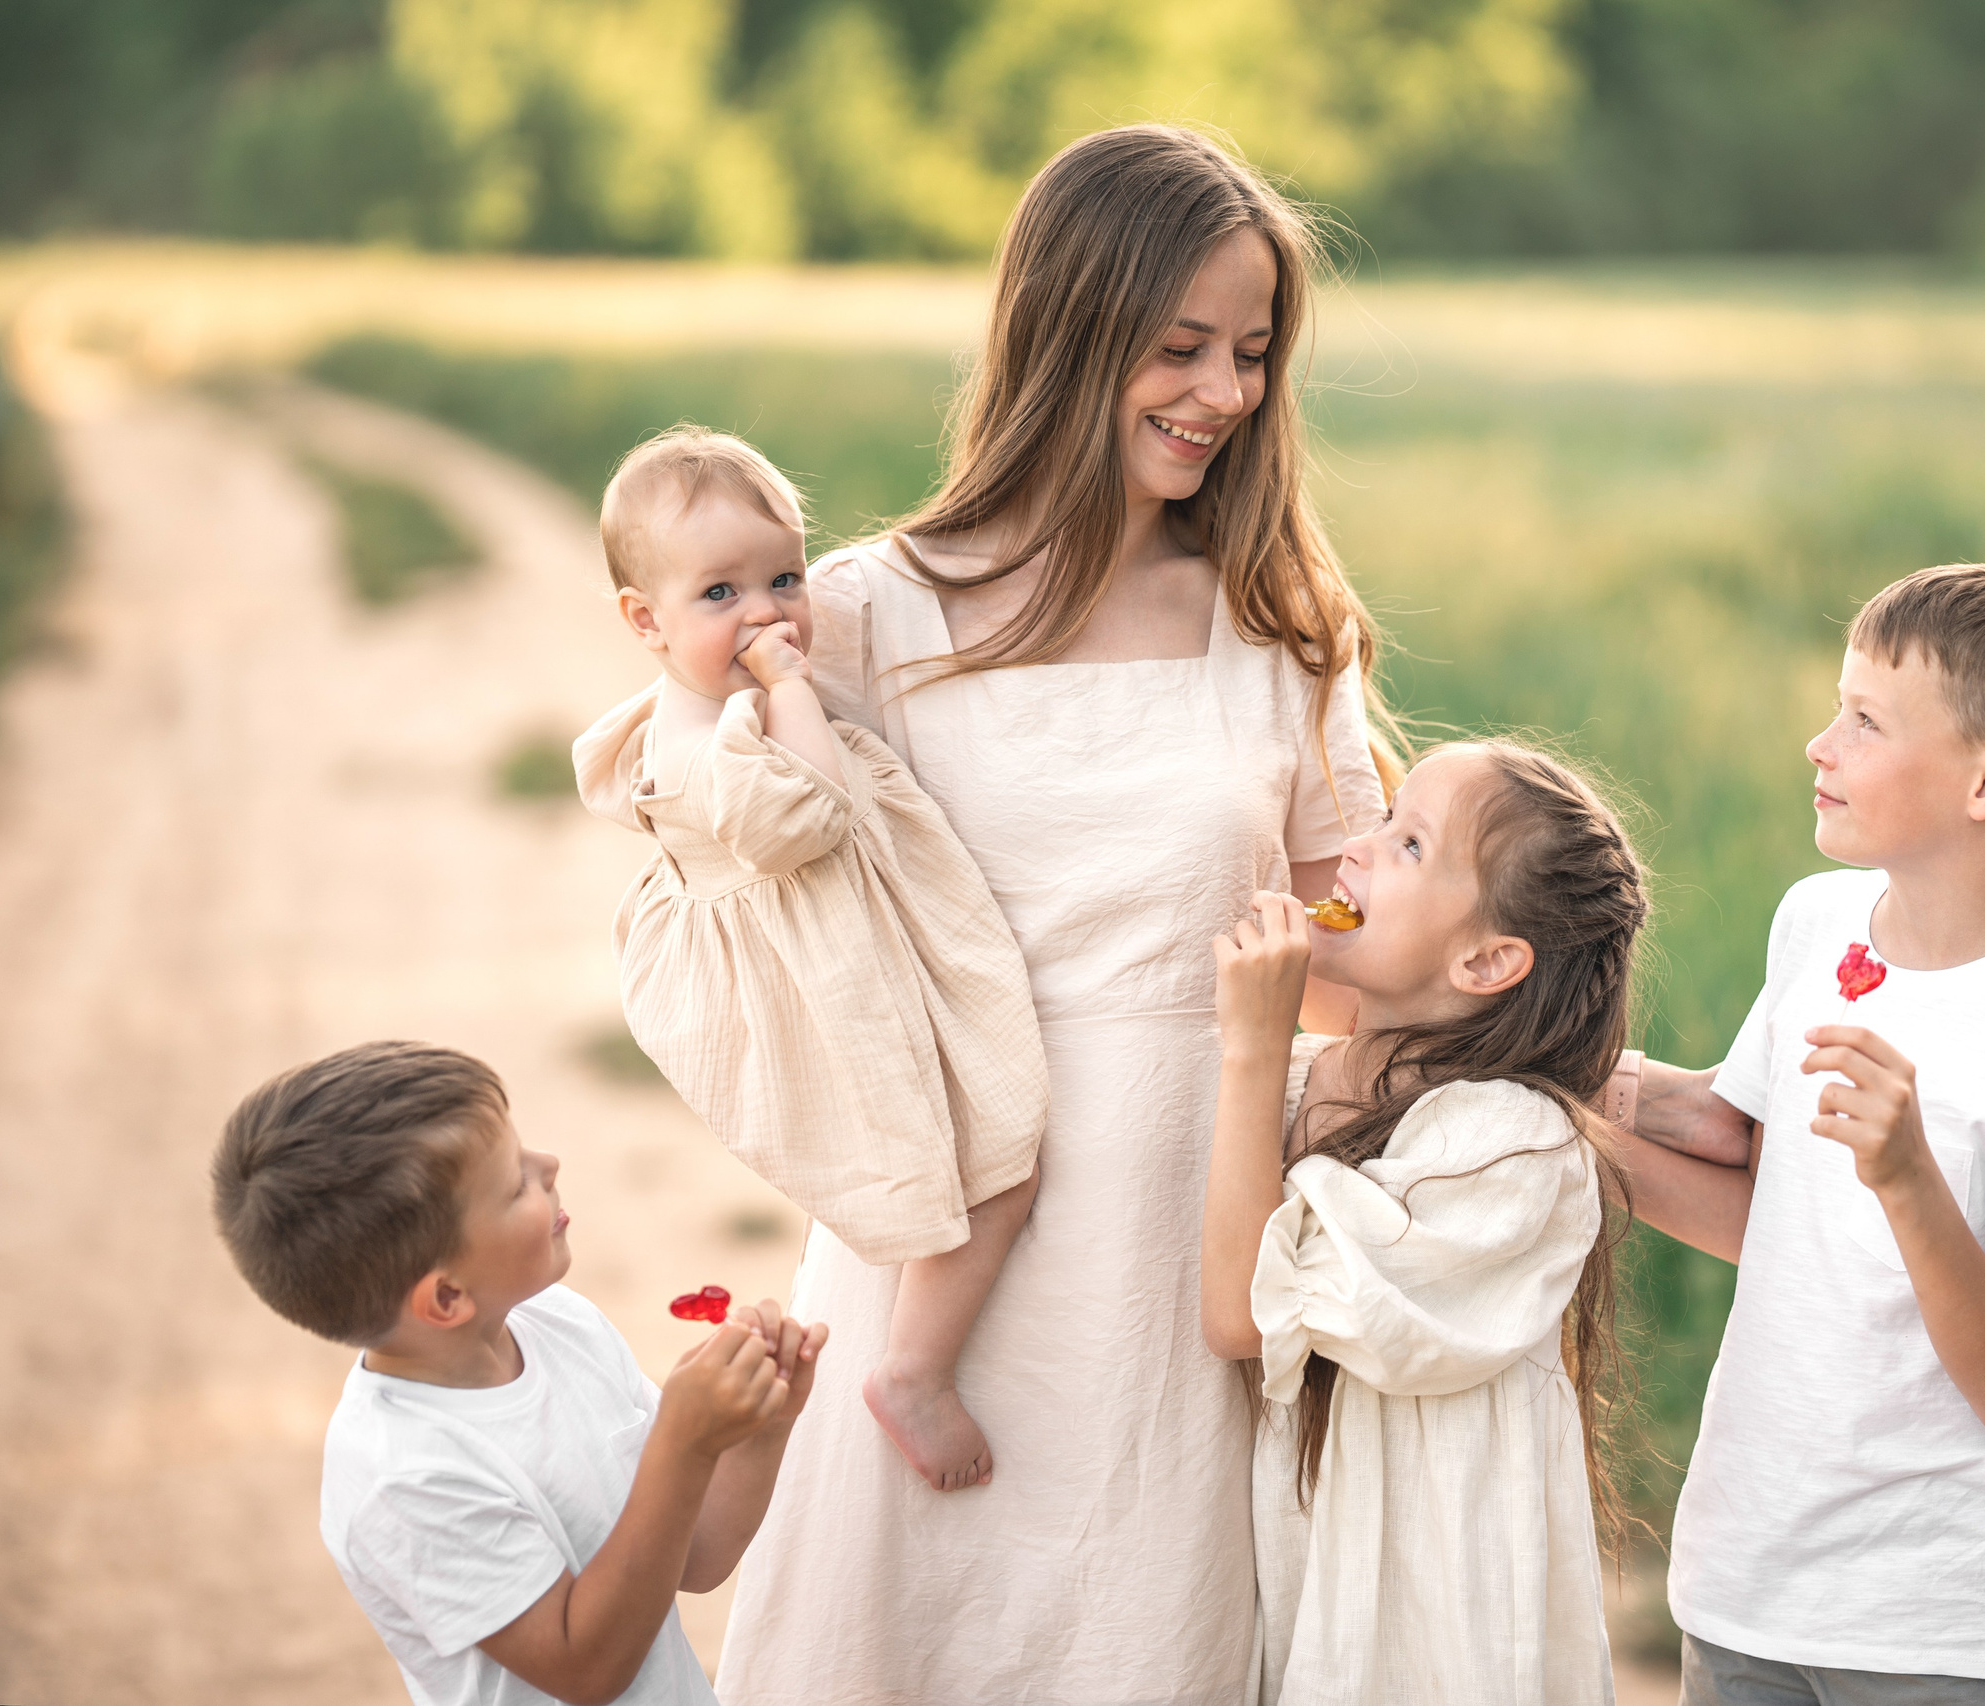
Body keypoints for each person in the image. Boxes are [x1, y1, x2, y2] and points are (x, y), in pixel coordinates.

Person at [712, 125, 1394, 1705]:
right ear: (1066, 331)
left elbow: (1353, 932)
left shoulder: (1280, 629)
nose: (1224, 391)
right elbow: (773, 899)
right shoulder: (874, 609)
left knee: (1141, 1640)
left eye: (1251, 351)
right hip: (941, 1231)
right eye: (1179, 347)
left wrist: (1535, 1012)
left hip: (1180, 1235)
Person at [1623, 565, 1985, 1702]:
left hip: (1937, 1629)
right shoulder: (1819, 921)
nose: (1818, 745)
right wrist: (1538, 1086)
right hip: (1744, 1583)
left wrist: (1907, 1174)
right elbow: (1749, 1163)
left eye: (1864, 721)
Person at [573, 426, 1046, 1493]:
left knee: (980, 1147)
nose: (766, 613)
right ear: (644, 620)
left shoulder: (703, 702)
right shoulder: (708, 745)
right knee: (991, 1163)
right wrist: (791, 688)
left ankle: (917, 1351)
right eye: (720, 593)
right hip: (835, 983)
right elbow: (812, 815)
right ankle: (915, 1369)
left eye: (784, 576)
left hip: (853, 948)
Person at [1204, 742, 1642, 1705]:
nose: (1354, 849)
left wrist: (1252, 1043)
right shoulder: (1302, 1082)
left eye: (1406, 844)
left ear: (1488, 959)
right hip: (1317, 1594)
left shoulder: (1510, 1147)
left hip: (1441, 1633)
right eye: (1382, 817)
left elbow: (1240, 1316)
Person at [208, 1041, 827, 1706]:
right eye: (513, 1185)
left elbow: (697, 1557)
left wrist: (762, 1426)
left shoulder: (560, 1324)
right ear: (446, 1298)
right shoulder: (406, 1479)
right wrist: (685, 1442)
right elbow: (585, 1670)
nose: (549, 1164)